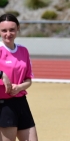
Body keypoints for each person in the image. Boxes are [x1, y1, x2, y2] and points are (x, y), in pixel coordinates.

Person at [0, 13, 38, 141]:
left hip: (21, 103)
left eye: (12, 30)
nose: (8, 34)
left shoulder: (23, 50)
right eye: (4, 30)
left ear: (18, 29)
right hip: (4, 105)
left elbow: (28, 79)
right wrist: (2, 75)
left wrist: (20, 87)